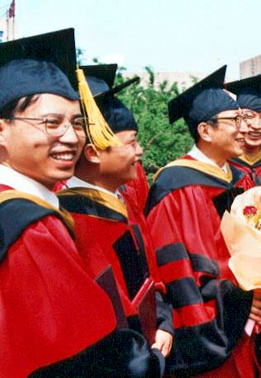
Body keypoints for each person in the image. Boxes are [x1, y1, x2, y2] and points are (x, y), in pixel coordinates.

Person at [0, 28, 164, 377]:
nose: (71, 136)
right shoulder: (29, 229)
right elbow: (86, 356)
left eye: (77, 123)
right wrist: (151, 362)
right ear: (2, 130)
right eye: (51, 123)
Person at [145, 66, 261, 377]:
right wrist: (240, 302)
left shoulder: (238, 179)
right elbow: (175, 273)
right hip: (211, 335)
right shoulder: (174, 186)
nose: (244, 128)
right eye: (234, 120)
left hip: (247, 325)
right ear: (205, 131)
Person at [56, 63, 173, 357]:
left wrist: (163, 321)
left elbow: (150, 275)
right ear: (93, 152)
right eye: (131, 142)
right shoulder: (71, 220)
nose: (140, 151)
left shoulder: (124, 201)